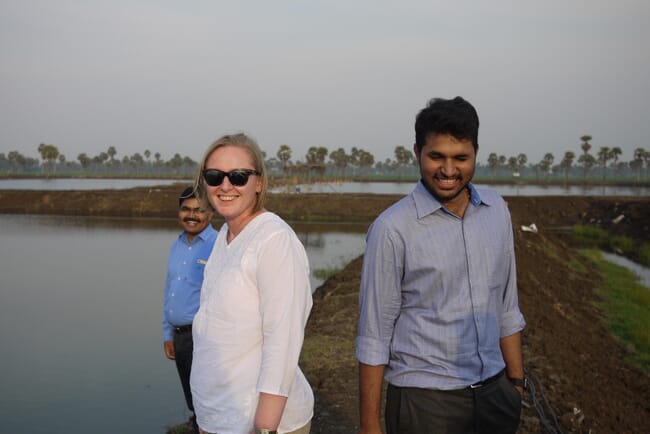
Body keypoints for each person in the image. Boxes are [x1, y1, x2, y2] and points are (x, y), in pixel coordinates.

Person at [356, 97, 526, 434]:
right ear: (417, 152)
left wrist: (516, 384)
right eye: (437, 156)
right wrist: (369, 425)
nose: (448, 170)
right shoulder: (392, 229)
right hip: (426, 404)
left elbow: (506, 305)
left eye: (461, 158)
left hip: (494, 395)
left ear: (476, 152)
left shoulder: (496, 211)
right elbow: (374, 334)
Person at [190, 133, 314, 434]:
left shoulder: (274, 240)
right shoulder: (224, 236)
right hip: (219, 416)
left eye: (239, 176)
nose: (226, 185)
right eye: (215, 175)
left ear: (259, 182)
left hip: (260, 422)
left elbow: (282, 339)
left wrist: (265, 428)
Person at [163, 186, 217, 433]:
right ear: (179, 211)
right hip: (180, 337)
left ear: (211, 214)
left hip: (205, 338)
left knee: (210, 401)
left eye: (199, 210)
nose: (192, 215)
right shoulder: (178, 245)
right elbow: (170, 290)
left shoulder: (219, 245)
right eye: (186, 209)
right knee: (193, 400)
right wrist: (168, 333)